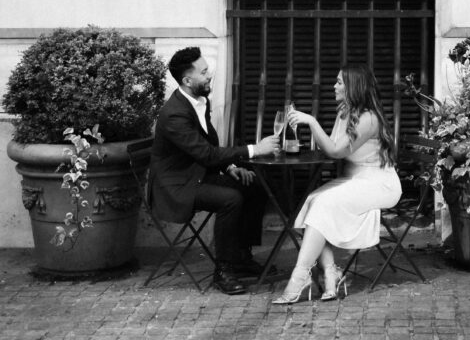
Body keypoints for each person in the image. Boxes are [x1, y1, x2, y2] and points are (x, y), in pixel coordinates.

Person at [149, 46, 279, 295]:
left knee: (256, 185)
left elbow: (206, 146)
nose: (211, 75)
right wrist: (254, 149)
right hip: (176, 185)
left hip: (196, 174)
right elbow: (205, 154)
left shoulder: (200, 101)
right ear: (187, 80)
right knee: (230, 199)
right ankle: (224, 270)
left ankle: (241, 257)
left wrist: (230, 168)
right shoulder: (174, 114)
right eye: (204, 72)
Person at [272, 65, 402, 304]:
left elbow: (334, 151)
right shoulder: (346, 112)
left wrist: (311, 121)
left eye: (339, 82)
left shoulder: (369, 119)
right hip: (356, 179)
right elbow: (331, 145)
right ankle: (331, 273)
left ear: (354, 87)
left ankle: (299, 278)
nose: (334, 86)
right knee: (313, 201)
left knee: (323, 202)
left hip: (379, 184)